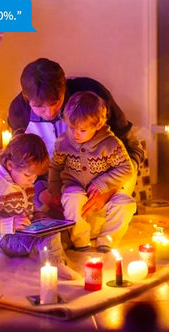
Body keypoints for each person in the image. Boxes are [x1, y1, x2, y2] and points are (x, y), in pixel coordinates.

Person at [8, 57, 144, 217]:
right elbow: (20, 163)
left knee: (105, 219)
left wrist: (109, 189)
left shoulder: (93, 96)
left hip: (105, 177)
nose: (50, 113)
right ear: (26, 98)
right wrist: (42, 192)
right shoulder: (19, 112)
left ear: (64, 89)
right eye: (39, 108)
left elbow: (132, 149)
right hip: (54, 181)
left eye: (56, 103)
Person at [0, 133, 80, 280]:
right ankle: (54, 263)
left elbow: (27, 209)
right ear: (10, 165)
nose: (32, 180)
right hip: (2, 238)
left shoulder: (25, 181)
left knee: (49, 224)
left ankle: (49, 248)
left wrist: (40, 217)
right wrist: (10, 223)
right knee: (46, 235)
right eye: (28, 175)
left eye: (35, 176)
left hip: (23, 228)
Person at [49, 91, 136, 252]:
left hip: (104, 193)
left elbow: (126, 169)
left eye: (82, 130)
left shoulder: (110, 144)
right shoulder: (63, 142)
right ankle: (80, 240)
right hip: (74, 187)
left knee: (126, 204)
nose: (75, 134)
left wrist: (102, 183)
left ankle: (107, 239)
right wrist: (54, 191)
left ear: (97, 125)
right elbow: (55, 167)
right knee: (72, 198)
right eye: (71, 127)